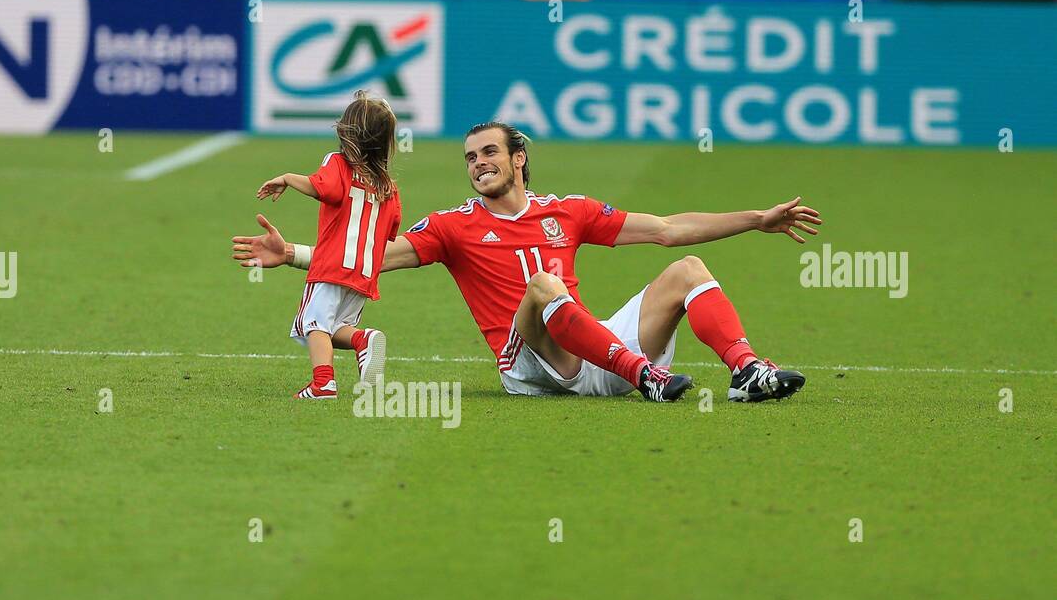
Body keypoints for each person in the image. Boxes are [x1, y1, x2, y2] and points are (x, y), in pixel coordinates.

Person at [234, 121, 819, 404]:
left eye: (489, 152)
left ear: (518, 159)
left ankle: (747, 373)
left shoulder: (569, 212)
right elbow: (370, 259)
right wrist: (291, 256)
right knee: (544, 284)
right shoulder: (452, 226)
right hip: (530, 364)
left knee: (687, 268)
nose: (478, 164)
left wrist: (756, 219)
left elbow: (667, 229)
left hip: (588, 348)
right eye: (470, 157)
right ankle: (648, 376)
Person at [254, 91, 402, 400]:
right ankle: (363, 339)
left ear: (346, 133)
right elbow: (390, 229)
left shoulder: (337, 162)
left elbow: (327, 188)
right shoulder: (388, 186)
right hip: (363, 273)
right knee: (336, 326)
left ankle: (323, 383)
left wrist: (288, 178)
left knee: (314, 323)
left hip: (331, 266)